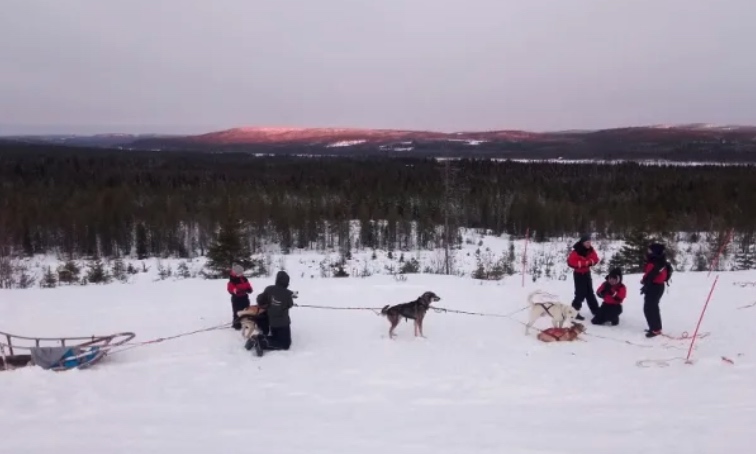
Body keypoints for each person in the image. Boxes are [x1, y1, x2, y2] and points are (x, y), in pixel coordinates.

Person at [256, 271, 296, 350]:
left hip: (272, 323)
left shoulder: (269, 289)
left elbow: (260, 299)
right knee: (285, 344)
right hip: (283, 324)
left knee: (275, 337)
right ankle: (262, 343)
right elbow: (290, 305)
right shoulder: (288, 294)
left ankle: (259, 338)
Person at [641, 243, 672, 338]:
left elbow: (648, 276)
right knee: (653, 307)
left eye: (650, 250)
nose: (648, 252)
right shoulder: (661, 261)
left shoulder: (654, 263)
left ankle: (655, 329)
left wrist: (644, 282)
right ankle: (655, 328)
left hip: (654, 287)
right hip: (659, 287)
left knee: (649, 308)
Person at [567, 234, 600, 320]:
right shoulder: (576, 251)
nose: (589, 244)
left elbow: (596, 259)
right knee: (580, 294)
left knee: (590, 293)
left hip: (587, 273)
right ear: (583, 243)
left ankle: (596, 310)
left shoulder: (591, 250)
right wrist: (585, 263)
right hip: (579, 275)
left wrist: (587, 262)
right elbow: (571, 262)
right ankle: (573, 312)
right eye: (587, 242)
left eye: (589, 242)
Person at [227, 264, 253, 330]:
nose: (241, 274)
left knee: (247, 310)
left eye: (242, 273)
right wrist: (236, 291)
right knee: (237, 312)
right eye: (240, 273)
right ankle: (236, 324)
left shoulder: (244, 279)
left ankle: (246, 322)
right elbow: (231, 289)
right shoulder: (232, 280)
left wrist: (249, 289)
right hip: (236, 299)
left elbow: (248, 285)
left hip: (244, 297)